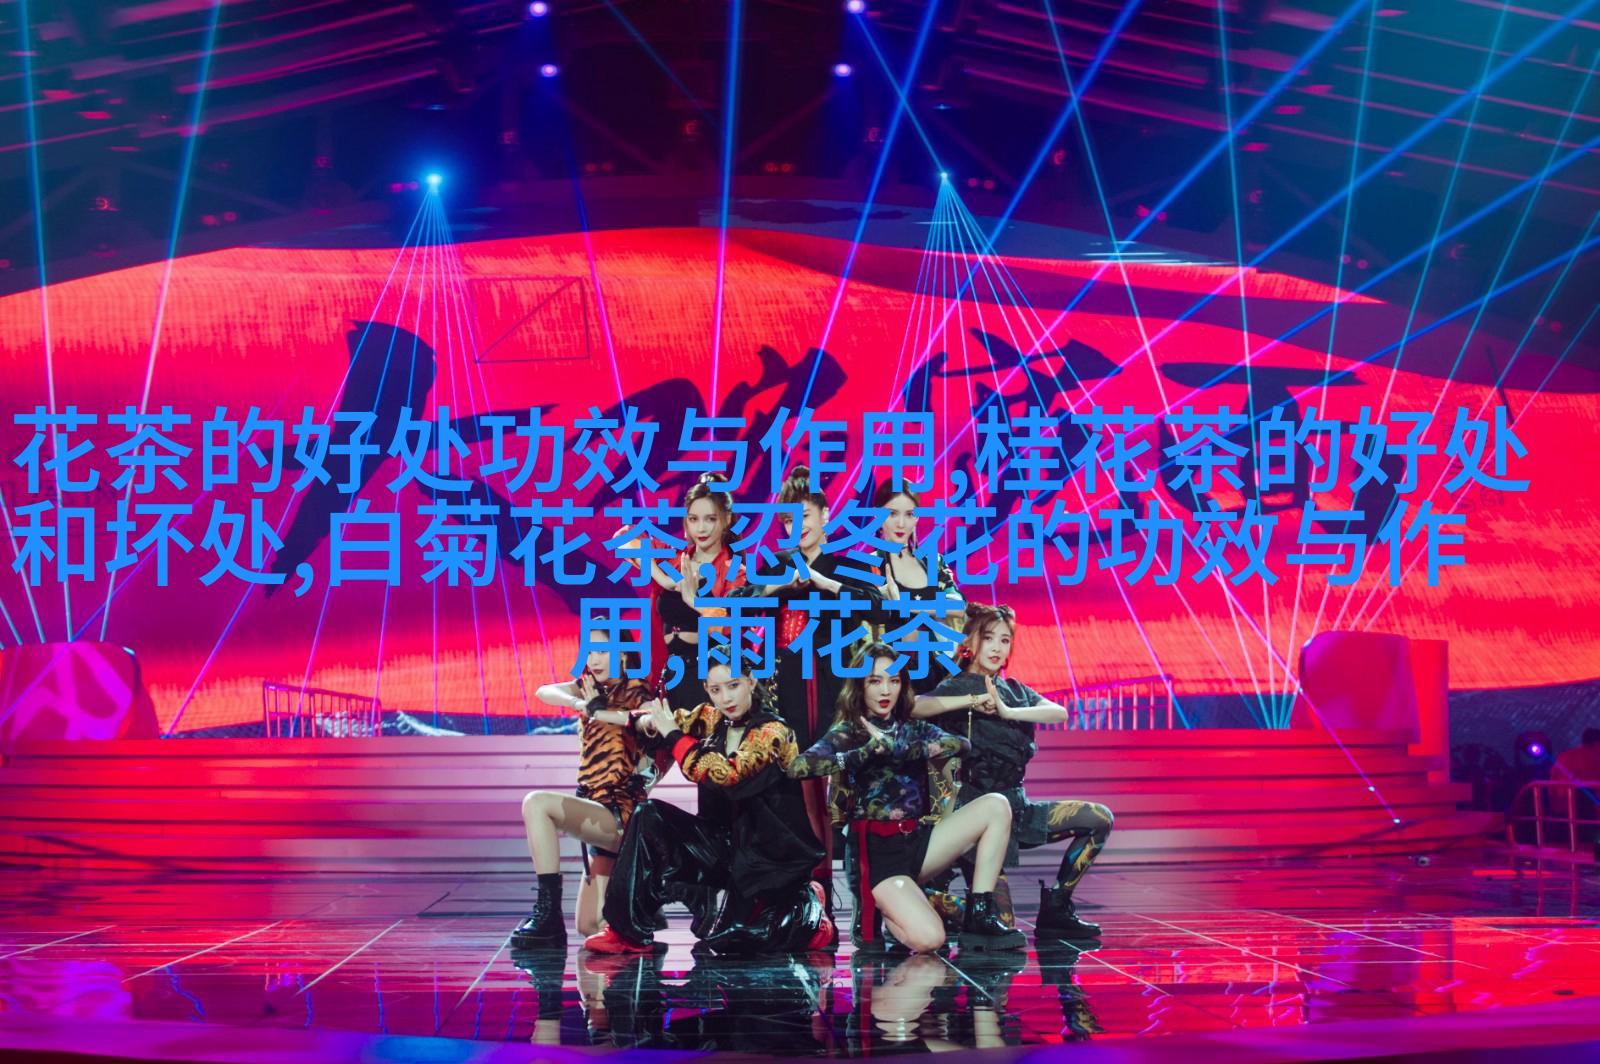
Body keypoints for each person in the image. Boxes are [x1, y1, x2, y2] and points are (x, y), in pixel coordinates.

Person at [788, 642, 1025, 953]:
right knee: (931, 939)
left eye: (894, 680)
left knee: (997, 805)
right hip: (877, 858)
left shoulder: (912, 729)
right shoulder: (851, 732)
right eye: (875, 681)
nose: (885, 690)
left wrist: (904, 749)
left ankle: (979, 914)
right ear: (860, 685)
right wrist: (861, 754)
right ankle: (887, 906)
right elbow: (798, 767)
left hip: (919, 843)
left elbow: (961, 745)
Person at [584, 660, 832, 955]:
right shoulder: (710, 718)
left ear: (751, 682)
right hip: (721, 848)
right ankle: (625, 931)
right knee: (647, 814)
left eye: (733, 686)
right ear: (707, 690)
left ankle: (808, 907)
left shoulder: (773, 731)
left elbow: (726, 775)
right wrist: (605, 712)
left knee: (737, 944)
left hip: (767, 861)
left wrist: (674, 735)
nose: (726, 698)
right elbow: (652, 720)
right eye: (716, 690)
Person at [915, 602, 1114, 941]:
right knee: (1001, 924)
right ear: (970, 642)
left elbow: (1059, 713)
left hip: (1017, 809)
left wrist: (1008, 711)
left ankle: (1057, 907)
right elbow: (916, 706)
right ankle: (926, 898)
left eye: (1005, 640)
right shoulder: (958, 685)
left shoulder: (1016, 690)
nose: (997, 647)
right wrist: (971, 702)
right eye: (988, 638)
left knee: (1099, 818)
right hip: (975, 818)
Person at [729, 465, 876, 918]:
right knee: (792, 788)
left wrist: (824, 583)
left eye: (805, 516)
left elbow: (875, 605)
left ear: (825, 514)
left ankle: (848, 893)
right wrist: (781, 585)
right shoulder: (778, 566)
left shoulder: (845, 565)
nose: (797, 527)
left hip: (833, 687)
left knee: (838, 789)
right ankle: (804, 894)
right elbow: (737, 604)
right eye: (788, 520)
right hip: (785, 687)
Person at [512, 642, 660, 947]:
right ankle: (629, 914)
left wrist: (602, 712)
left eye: (602, 651)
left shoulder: (638, 693)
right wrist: (582, 703)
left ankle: (548, 915)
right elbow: (544, 691)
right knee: (588, 926)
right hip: (598, 810)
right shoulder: (591, 690)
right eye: (589, 652)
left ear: (622, 654)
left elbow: (648, 722)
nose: (594, 659)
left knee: (536, 804)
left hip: (621, 813)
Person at [623, 473, 745, 713]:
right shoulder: (675, 559)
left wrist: (693, 601)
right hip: (670, 673)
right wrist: (665, 580)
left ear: (727, 520)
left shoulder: (733, 571)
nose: (701, 528)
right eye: (693, 519)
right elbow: (625, 537)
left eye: (711, 519)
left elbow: (731, 628)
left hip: (709, 680)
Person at [866, 481, 966, 696]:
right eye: (892, 514)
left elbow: (958, 606)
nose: (901, 523)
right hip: (887, 676)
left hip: (935, 672)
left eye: (909, 514)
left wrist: (905, 605)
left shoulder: (932, 562)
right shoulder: (867, 567)